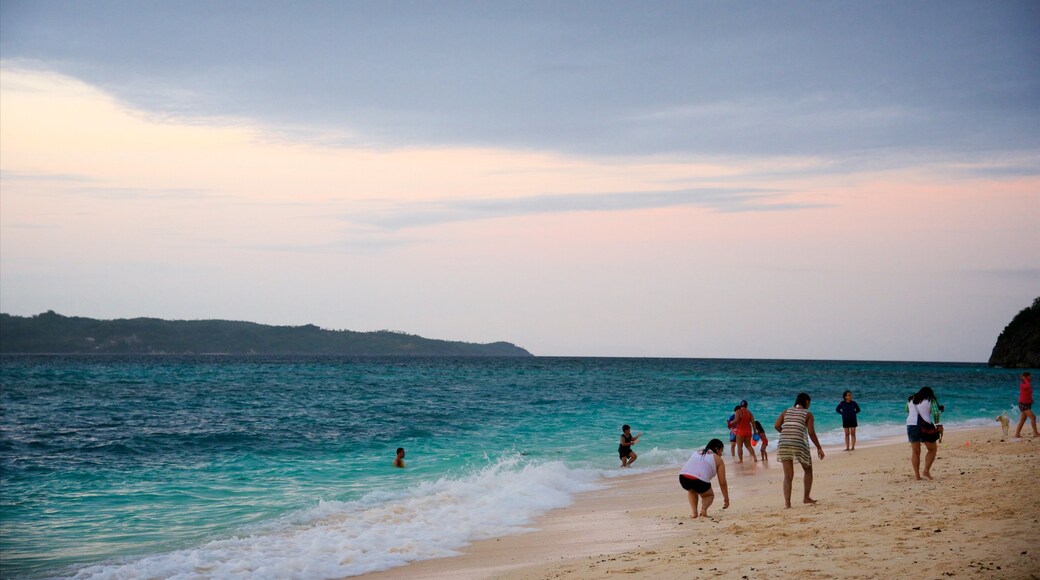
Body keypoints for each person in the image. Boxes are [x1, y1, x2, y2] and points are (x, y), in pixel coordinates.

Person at [774, 392, 825, 508]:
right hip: (798, 443)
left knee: (788, 476)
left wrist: (786, 433)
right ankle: (806, 497)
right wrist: (819, 448)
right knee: (808, 469)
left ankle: (787, 503)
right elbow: (811, 433)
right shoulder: (808, 414)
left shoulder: (786, 411)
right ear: (806, 402)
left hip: (783, 443)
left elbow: (776, 425)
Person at [679, 438, 730, 518]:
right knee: (709, 496)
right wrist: (726, 498)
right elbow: (722, 482)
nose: (721, 454)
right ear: (716, 449)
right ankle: (703, 510)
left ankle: (694, 513)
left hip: (683, 477)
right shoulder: (718, 459)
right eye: (721, 451)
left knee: (692, 490)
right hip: (700, 481)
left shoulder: (697, 452)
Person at [906, 387, 940, 480]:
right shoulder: (930, 399)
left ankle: (917, 476)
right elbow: (936, 413)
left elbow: (907, 410)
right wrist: (937, 424)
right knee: (932, 449)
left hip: (910, 425)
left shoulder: (911, 399)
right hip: (924, 427)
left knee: (915, 451)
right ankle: (925, 471)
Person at [1014, 372, 1040, 438]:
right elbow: (1027, 386)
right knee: (1033, 417)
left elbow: (1028, 393)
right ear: (1026, 377)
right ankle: (1036, 433)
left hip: (1027, 404)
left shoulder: (1027, 384)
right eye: (1029, 376)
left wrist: (1031, 400)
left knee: (1023, 419)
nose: (1031, 377)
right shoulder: (1022, 384)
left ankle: (1017, 434)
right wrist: (1024, 379)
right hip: (1023, 404)